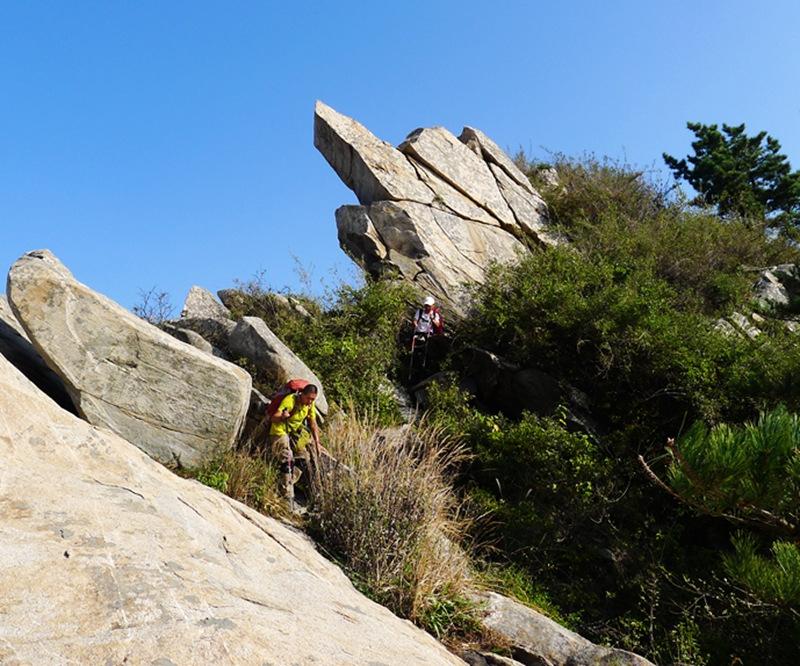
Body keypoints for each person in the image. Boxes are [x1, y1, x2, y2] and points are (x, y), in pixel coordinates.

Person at [269, 383, 321, 514]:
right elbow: (274, 417)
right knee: (288, 458)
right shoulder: (290, 400)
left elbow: (313, 423)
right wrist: (282, 416)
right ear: (302, 394)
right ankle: (287, 498)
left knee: (304, 459)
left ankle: (286, 484)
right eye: (309, 398)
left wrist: (317, 443)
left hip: (292, 433)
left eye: (313, 399)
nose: (310, 402)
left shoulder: (309, 405)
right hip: (279, 431)